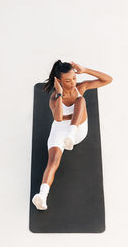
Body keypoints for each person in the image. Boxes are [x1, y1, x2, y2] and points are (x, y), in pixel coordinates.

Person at [32, 60, 113, 210]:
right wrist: (60, 94)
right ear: (59, 81)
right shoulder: (54, 98)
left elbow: (108, 79)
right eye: (68, 81)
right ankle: (42, 196)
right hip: (60, 131)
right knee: (53, 161)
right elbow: (58, 118)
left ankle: (71, 134)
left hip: (77, 132)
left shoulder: (80, 88)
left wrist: (85, 69)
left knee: (80, 100)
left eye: (74, 78)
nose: (73, 83)